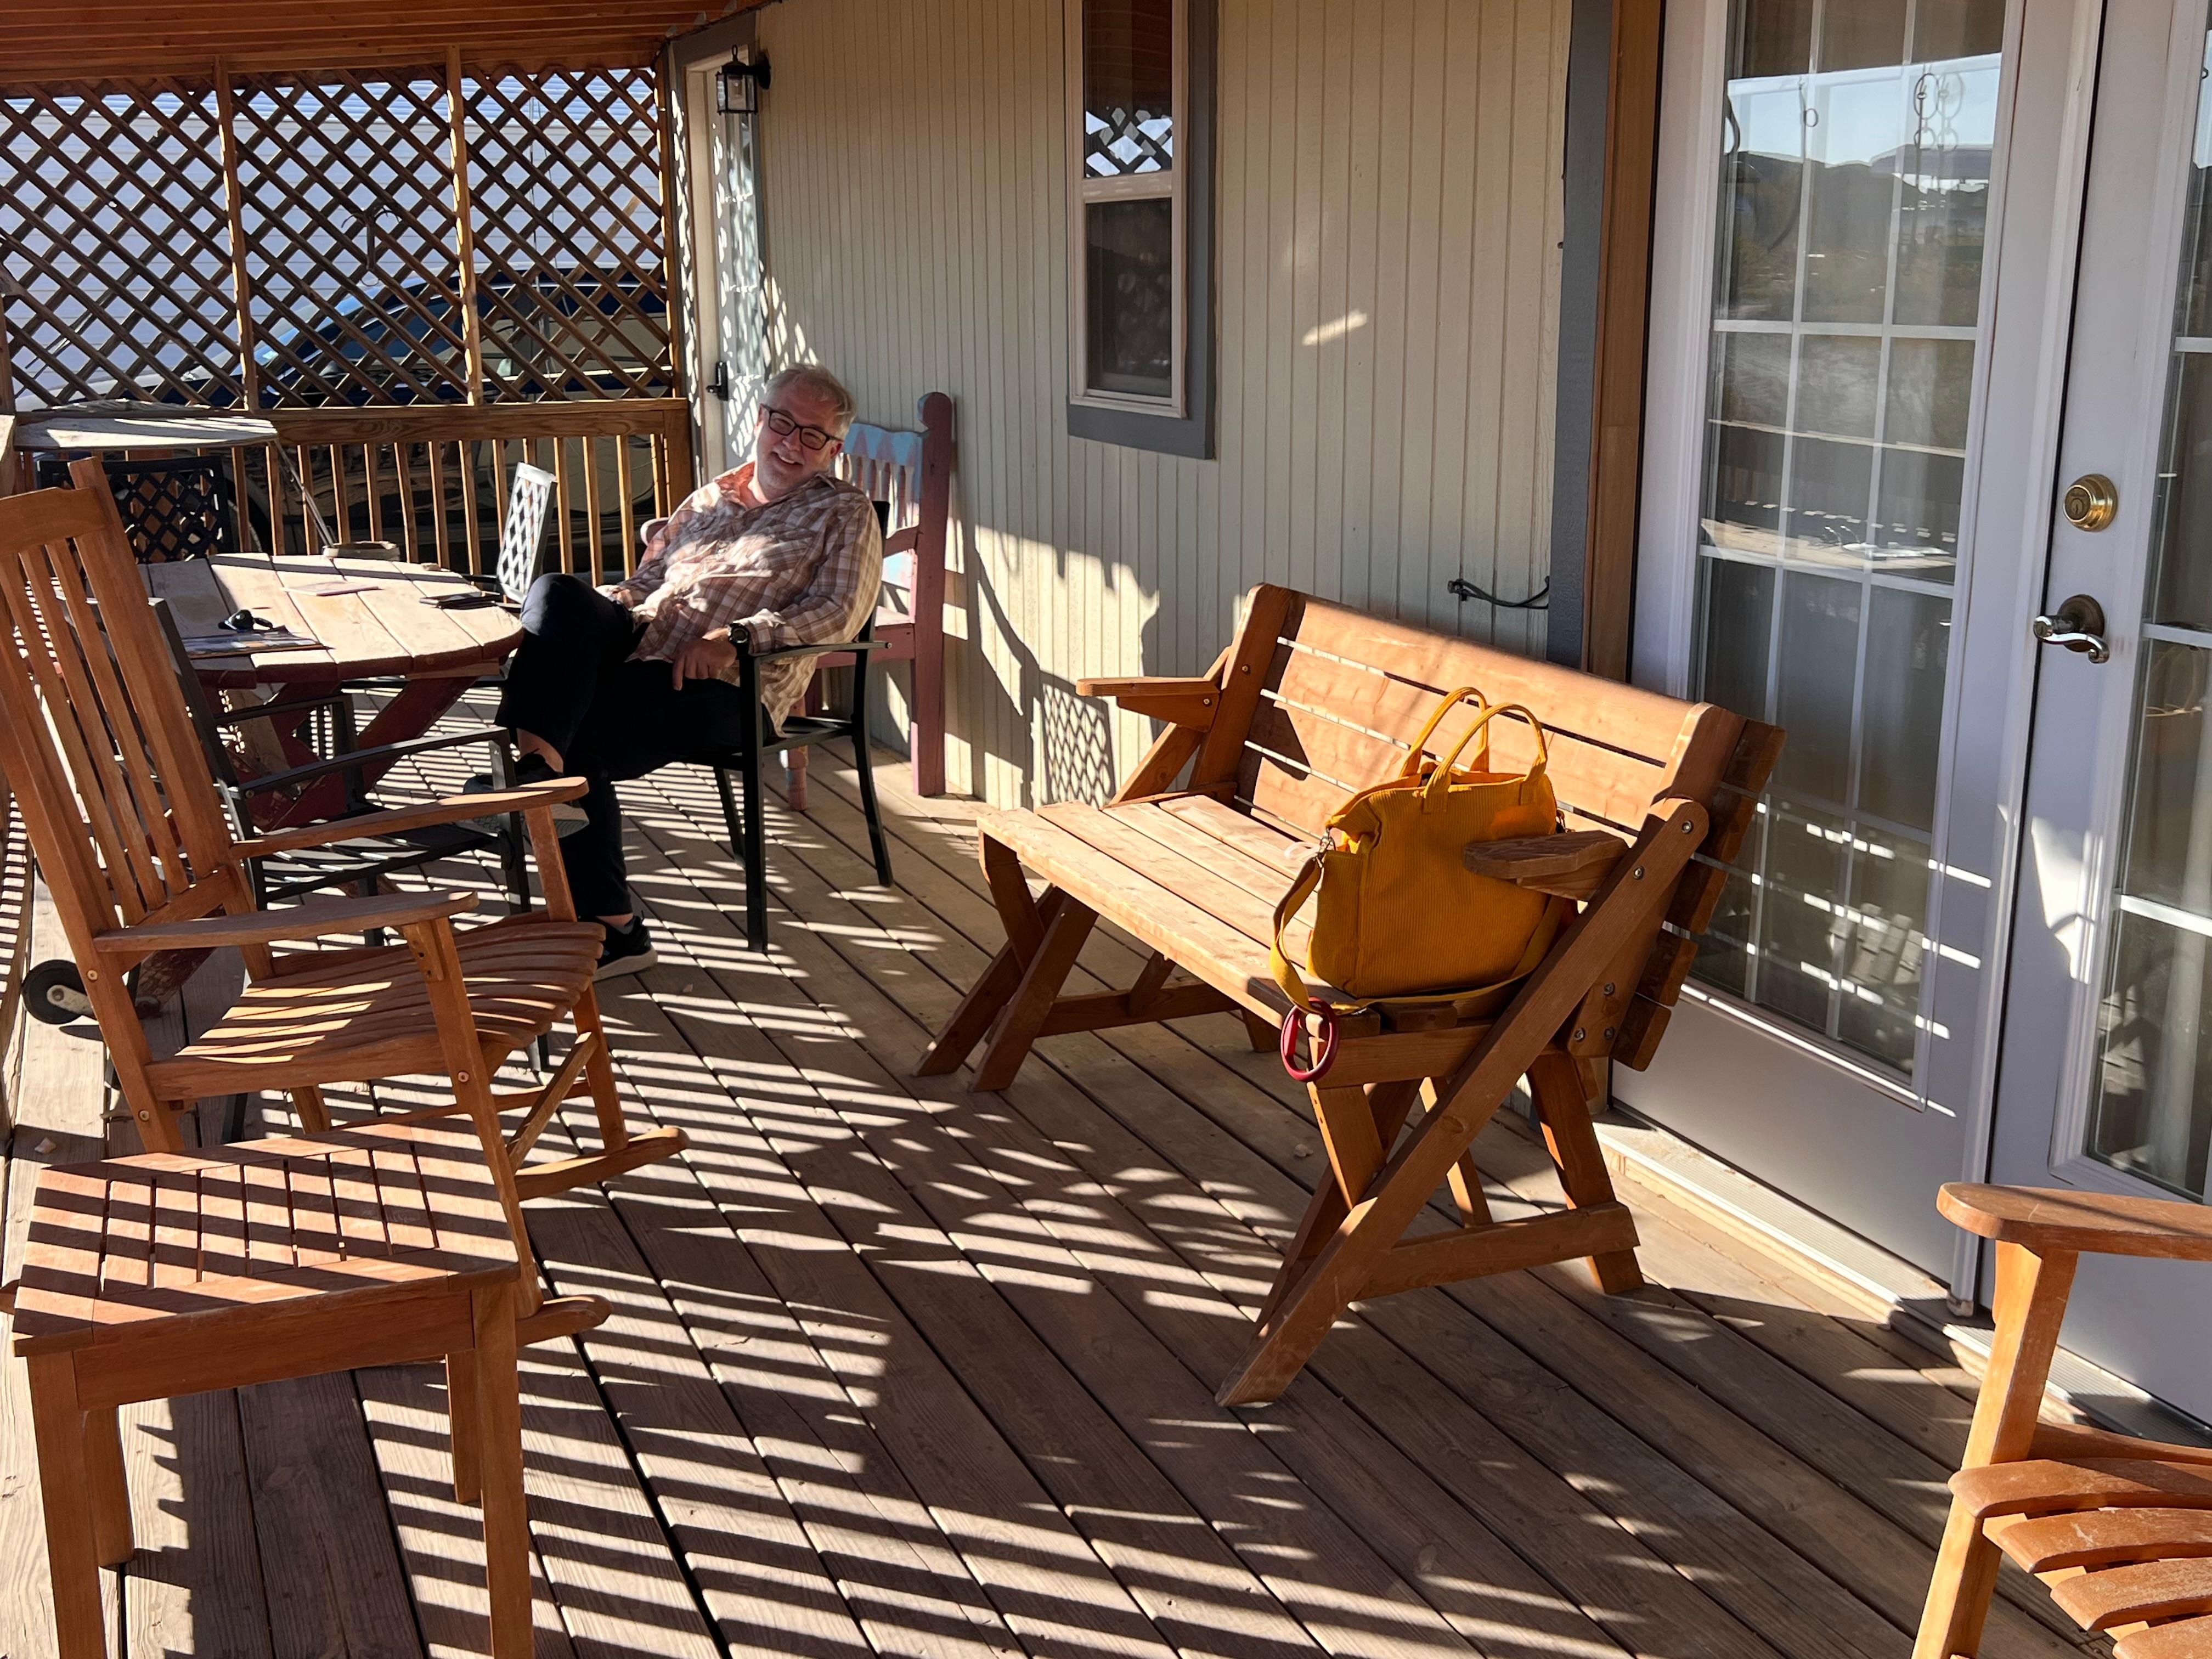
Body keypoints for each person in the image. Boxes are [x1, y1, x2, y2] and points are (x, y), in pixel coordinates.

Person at [490, 363, 883, 978]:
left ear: (833, 450)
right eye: (783, 423)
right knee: (556, 592)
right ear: (761, 419)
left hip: (730, 685)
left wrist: (737, 638)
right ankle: (540, 775)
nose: (792, 443)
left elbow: (839, 611)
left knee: (583, 732)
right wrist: (588, 619)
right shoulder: (711, 496)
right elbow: (647, 581)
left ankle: (613, 924)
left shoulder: (844, 512)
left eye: (813, 436)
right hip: (642, 642)